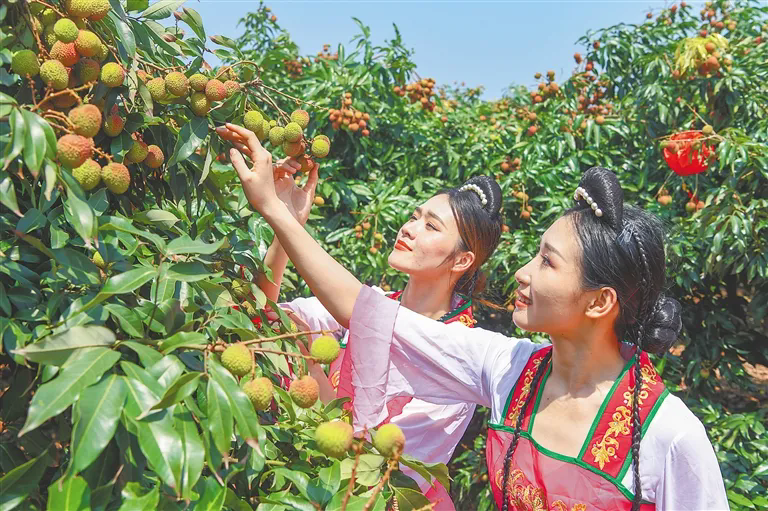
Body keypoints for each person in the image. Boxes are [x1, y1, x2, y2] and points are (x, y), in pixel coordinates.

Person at [221, 122, 729, 511]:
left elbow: (374, 450)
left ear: (599, 301)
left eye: (547, 262)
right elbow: (361, 311)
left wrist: (279, 216)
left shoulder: (669, 435)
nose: (522, 274)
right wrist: (278, 214)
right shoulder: (509, 369)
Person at [217, 124, 505, 510]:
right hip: (310, 482)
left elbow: (373, 470)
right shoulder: (374, 301)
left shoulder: (457, 355)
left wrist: (309, 365)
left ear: (462, 260)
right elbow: (264, 319)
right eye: (415, 216)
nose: (409, 229)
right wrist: (285, 228)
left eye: (431, 226)